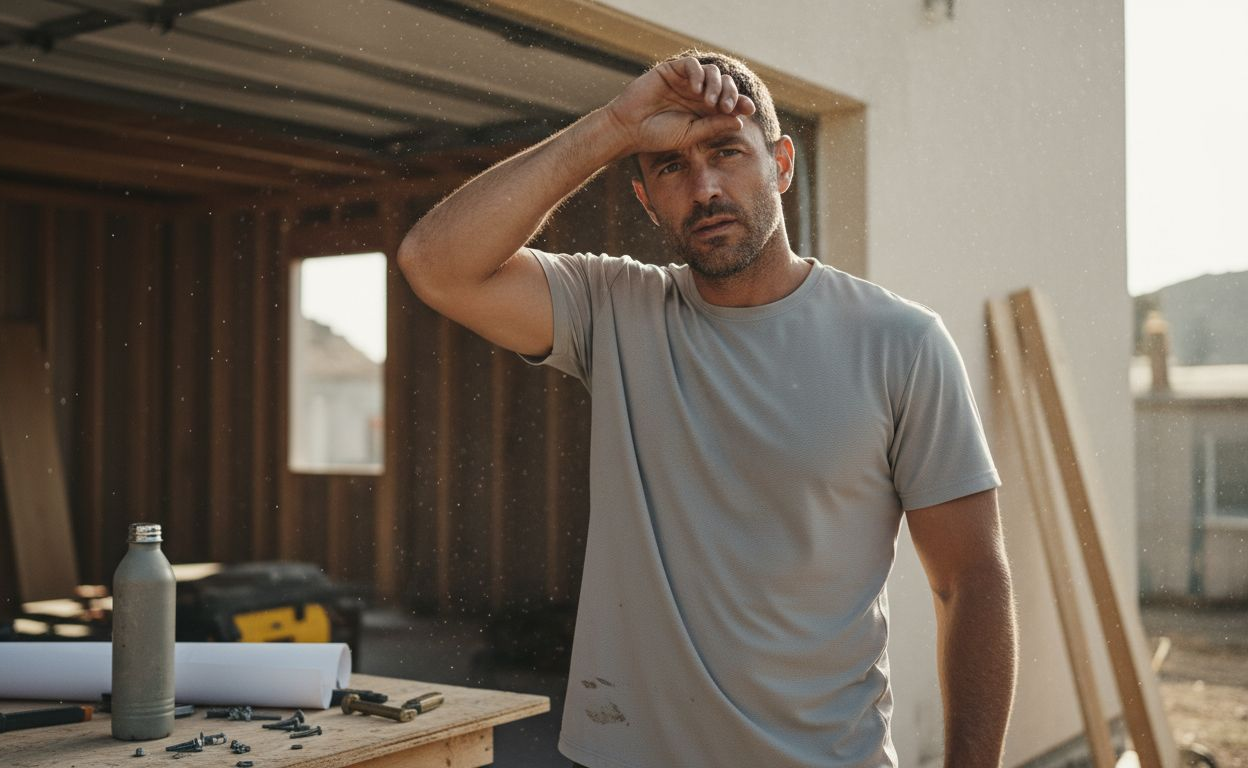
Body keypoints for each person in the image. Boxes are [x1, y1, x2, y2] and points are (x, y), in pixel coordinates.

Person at [398, 50, 1018, 768]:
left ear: (781, 164)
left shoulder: (900, 343)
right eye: (670, 167)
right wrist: (614, 125)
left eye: (728, 152)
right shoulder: (616, 309)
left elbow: (971, 581)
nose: (705, 188)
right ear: (645, 198)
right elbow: (434, 263)